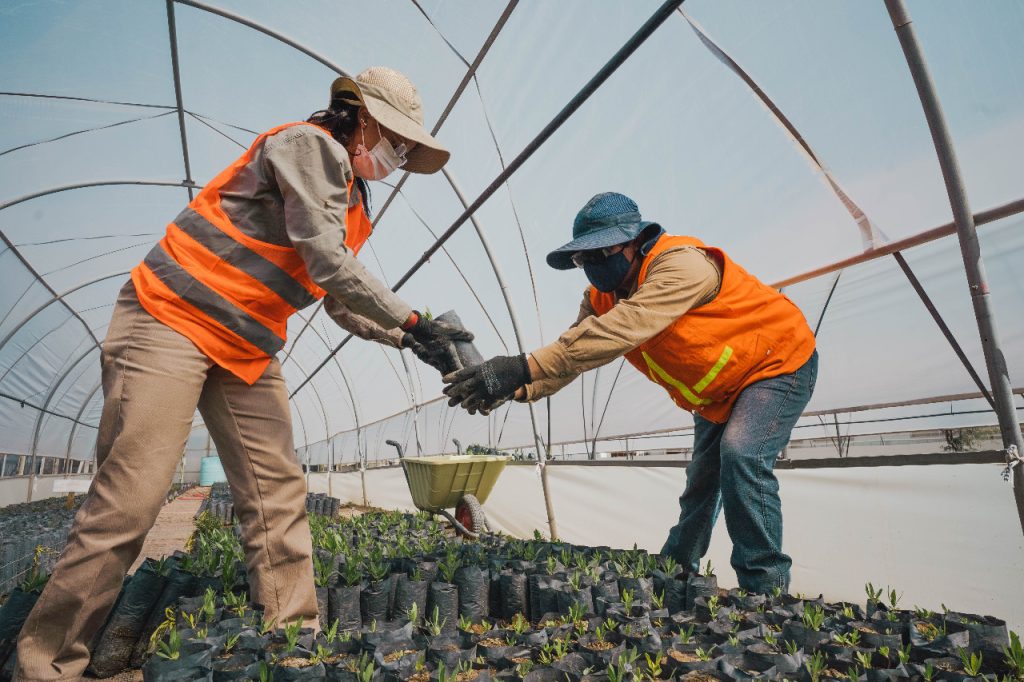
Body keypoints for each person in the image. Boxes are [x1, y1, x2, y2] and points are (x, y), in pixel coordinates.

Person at [15, 67, 471, 681]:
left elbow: (337, 298)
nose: (400, 155)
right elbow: (329, 262)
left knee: (277, 489)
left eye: (408, 148)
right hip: (170, 318)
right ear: (361, 115)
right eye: (397, 140)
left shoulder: (355, 205)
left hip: (245, 345)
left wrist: (409, 340)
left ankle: (291, 640)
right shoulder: (309, 146)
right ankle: (46, 664)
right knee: (131, 498)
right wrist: (415, 321)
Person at [443, 191, 818, 594]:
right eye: (582, 259)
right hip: (719, 391)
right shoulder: (601, 298)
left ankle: (766, 590)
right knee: (702, 479)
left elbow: (620, 329)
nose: (591, 266)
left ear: (634, 241)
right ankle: (677, 570)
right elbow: (575, 351)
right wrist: (515, 388)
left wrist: (519, 365)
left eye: (600, 253)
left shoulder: (682, 265)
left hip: (775, 361)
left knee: (741, 454)